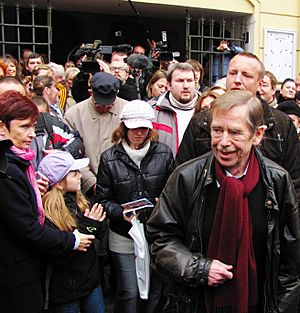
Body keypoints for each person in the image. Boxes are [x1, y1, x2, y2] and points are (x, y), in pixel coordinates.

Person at [147, 90, 300, 313]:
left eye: (235, 133)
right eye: (217, 130)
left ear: (257, 135)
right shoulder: (186, 177)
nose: (223, 142)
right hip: (197, 304)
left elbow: (290, 262)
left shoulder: (277, 181)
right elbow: (160, 239)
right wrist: (200, 269)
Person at [0, 91, 95, 313]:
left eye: (33, 126)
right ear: (2, 127)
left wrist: (33, 191)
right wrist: (71, 240)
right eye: (24, 127)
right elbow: (27, 228)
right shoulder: (7, 170)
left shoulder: (18, 163)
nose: (32, 134)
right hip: (15, 274)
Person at [176, 53, 300, 216]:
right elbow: (181, 175)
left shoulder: (281, 125)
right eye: (232, 73)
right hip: (207, 219)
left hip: (265, 222)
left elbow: (295, 185)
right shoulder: (201, 122)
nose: (237, 80)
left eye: (246, 75)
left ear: (260, 83)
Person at [95, 100, 174, 313]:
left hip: (155, 232)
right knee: (129, 291)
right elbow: (102, 199)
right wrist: (120, 213)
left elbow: (172, 192)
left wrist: (163, 205)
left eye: (143, 128)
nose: (139, 132)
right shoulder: (109, 158)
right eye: (133, 128)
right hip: (123, 233)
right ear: (124, 128)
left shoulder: (164, 153)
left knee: (156, 289)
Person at [38, 151, 107, 313]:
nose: (80, 176)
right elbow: (60, 255)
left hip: (91, 282)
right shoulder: (47, 213)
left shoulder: (79, 200)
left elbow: (98, 233)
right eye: (74, 173)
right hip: (65, 291)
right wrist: (87, 227)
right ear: (59, 183)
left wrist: (96, 224)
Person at [64, 72, 127, 197]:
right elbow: (71, 154)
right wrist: (91, 182)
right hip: (84, 187)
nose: (104, 107)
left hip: (122, 185)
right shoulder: (74, 115)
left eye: (109, 104)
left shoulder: (127, 111)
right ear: (91, 92)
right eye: (99, 103)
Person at [149, 62, 200, 156]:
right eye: (180, 81)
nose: (186, 86)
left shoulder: (207, 108)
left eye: (189, 80)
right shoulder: (152, 110)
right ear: (168, 85)